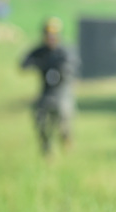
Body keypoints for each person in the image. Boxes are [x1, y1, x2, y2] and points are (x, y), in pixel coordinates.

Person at [20, 17, 79, 155]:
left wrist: (62, 70)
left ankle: (67, 141)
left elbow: (72, 67)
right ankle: (47, 149)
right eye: (48, 34)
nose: (50, 37)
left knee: (63, 120)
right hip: (46, 93)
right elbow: (23, 63)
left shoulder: (64, 51)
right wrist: (37, 64)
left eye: (53, 34)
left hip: (62, 93)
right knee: (40, 119)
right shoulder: (41, 51)